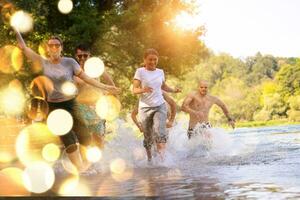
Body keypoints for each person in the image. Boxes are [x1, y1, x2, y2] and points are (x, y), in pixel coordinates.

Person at [14, 28, 120, 170]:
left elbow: (87, 78)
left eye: (57, 45)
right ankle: (81, 170)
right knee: (67, 138)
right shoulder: (43, 62)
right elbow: (23, 47)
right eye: (51, 45)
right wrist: (15, 27)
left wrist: (106, 87)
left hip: (71, 104)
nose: (54, 47)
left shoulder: (70, 62)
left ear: (61, 48)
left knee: (85, 138)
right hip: (54, 107)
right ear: (48, 48)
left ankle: (86, 167)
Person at [132, 48, 180, 162]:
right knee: (148, 137)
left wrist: (173, 90)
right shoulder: (140, 72)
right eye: (150, 59)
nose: (152, 62)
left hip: (160, 105)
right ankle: (150, 160)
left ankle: (162, 161)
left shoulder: (160, 72)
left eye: (155, 60)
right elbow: (134, 90)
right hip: (144, 108)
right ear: (144, 59)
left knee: (160, 132)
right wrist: (143, 90)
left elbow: (163, 87)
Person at [74, 44, 115, 149]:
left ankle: (100, 164)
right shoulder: (74, 71)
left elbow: (111, 84)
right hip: (81, 108)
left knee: (99, 139)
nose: (82, 58)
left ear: (89, 56)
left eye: (85, 55)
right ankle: (87, 163)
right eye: (80, 56)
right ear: (76, 56)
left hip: (98, 108)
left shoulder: (97, 68)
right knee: (85, 139)